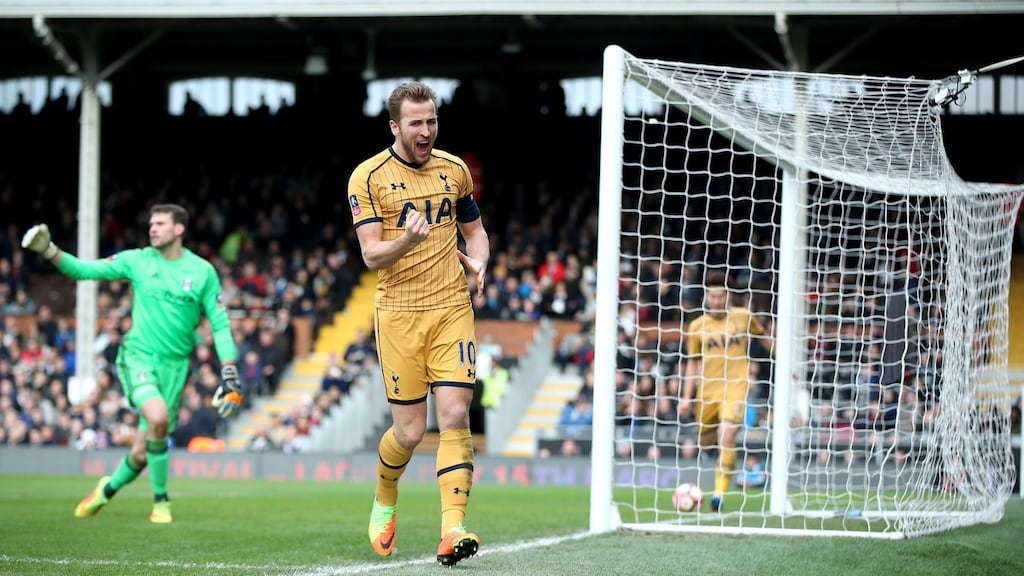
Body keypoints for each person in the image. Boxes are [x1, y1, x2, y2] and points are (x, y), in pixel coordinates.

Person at [21, 203, 241, 524]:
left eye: (161, 224)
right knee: (158, 416)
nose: (153, 228)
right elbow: (84, 270)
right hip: (138, 356)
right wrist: (49, 250)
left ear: (179, 229)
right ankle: (162, 502)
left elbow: (220, 324)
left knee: (142, 451)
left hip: (176, 368)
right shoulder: (137, 260)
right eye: (151, 223)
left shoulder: (202, 272)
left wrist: (229, 369)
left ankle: (106, 490)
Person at [348, 81, 489, 568]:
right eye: (416, 123)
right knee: (409, 432)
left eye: (432, 120)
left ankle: (453, 529)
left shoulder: (455, 170)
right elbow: (370, 255)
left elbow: (475, 230)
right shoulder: (367, 178)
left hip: (452, 307)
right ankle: (386, 494)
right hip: (399, 313)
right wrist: (406, 241)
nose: (426, 130)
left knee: (454, 415)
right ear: (395, 126)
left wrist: (481, 262)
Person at [679, 271, 771, 513]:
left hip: (736, 386)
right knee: (707, 442)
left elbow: (764, 338)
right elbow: (692, 363)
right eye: (713, 297)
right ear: (707, 297)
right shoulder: (697, 326)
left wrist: (785, 365)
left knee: (727, 436)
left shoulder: (743, 317)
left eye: (721, 296)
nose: (717, 301)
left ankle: (719, 495)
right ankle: (718, 469)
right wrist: (686, 398)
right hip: (707, 391)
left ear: (728, 296)